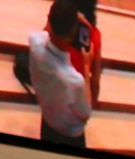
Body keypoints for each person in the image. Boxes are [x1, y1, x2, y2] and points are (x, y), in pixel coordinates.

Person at [29, 0, 91, 147]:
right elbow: (85, 114)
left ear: (49, 20)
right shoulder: (74, 80)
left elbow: (44, 32)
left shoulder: (34, 42)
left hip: (47, 123)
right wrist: (87, 65)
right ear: (73, 32)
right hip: (70, 136)